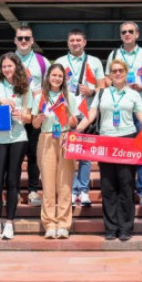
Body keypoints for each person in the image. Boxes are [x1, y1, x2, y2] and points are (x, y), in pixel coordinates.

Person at [75, 59, 142, 242]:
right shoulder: (101, 93)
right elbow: (90, 116)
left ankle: (125, 227)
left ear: (126, 72)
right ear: (109, 74)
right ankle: (111, 227)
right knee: (108, 186)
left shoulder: (133, 94)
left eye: (121, 70)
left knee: (126, 184)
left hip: (127, 141)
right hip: (106, 141)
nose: (117, 73)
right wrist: (76, 132)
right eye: (114, 70)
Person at [107, 22, 142, 208]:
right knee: (121, 152)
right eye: (124, 32)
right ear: (120, 35)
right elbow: (106, 79)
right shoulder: (114, 55)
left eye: (130, 31)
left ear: (137, 34)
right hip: (119, 111)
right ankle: (124, 189)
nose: (127, 34)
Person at [0, 52, 33, 240]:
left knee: (13, 182)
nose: (7, 69)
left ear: (17, 67)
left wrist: (20, 114)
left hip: (18, 137)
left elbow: (30, 116)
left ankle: (10, 223)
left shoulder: (25, 87)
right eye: (4, 66)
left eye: (10, 66)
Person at [54, 29, 104, 208]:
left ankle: (83, 190)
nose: (75, 43)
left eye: (78, 40)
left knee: (85, 156)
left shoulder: (94, 62)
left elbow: (103, 88)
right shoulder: (60, 62)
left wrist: (91, 91)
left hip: (86, 113)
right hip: (65, 114)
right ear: (68, 43)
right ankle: (71, 189)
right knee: (67, 154)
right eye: (72, 40)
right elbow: (52, 87)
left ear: (85, 43)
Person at [32, 63, 80, 238]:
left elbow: (75, 120)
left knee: (65, 184)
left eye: (60, 76)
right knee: (48, 183)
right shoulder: (40, 97)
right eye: (54, 75)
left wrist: (73, 121)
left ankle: (63, 224)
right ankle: (50, 223)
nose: (57, 78)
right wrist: (39, 118)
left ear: (64, 79)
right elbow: (35, 124)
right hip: (46, 138)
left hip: (65, 138)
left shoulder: (70, 97)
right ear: (48, 77)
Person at [14, 25, 50, 206]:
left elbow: (50, 87)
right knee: (14, 156)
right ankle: (13, 191)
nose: (23, 41)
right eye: (20, 38)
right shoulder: (8, 60)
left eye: (27, 38)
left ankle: (33, 191)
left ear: (32, 40)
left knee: (34, 155)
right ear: (15, 40)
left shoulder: (42, 61)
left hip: (34, 114)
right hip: (15, 115)